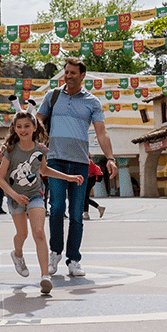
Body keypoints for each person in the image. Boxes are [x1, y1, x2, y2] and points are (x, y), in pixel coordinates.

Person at [37, 57, 117, 277]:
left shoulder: (92, 102)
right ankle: (55, 253)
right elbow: (37, 122)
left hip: (81, 163)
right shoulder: (51, 96)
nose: (69, 76)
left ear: (82, 76)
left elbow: (102, 132)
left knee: (76, 214)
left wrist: (110, 158)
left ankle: (74, 259)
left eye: (73, 73)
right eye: (67, 72)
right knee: (56, 209)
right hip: (55, 160)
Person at [0, 111, 84, 294]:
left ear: (34, 127)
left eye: (27, 126)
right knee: (22, 234)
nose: (23, 130)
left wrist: (68, 177)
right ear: (14, 129)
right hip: (15, 197)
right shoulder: (11, 150)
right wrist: (14, 195)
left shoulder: (41, 150)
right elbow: (0, 179)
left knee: (39, 233)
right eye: (19, 126)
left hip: (35, 195)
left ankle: (45, 276)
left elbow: (44, 171)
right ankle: (18, 254)